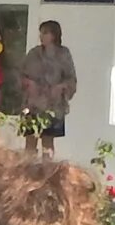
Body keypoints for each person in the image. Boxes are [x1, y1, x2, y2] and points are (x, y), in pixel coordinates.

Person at [17, 21, 77, 150]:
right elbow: (21, 75)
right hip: (33, 105)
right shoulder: (34, 53)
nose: (41, 36)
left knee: (48, 143)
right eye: (41, 33)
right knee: (30, 140)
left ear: (54, 35)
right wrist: (28, 83)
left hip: (53, 106)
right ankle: (29, 169)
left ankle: (47, 169)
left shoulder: (63, 54)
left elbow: (71, 78)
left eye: (45, 33)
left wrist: (61, 87)